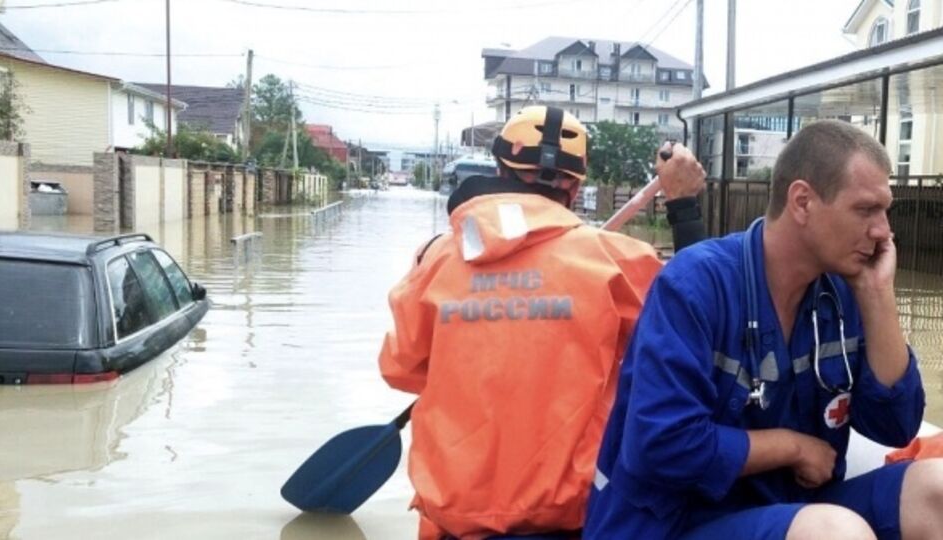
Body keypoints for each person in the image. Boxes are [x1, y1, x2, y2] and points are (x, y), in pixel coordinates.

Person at [585, 119, 943, 540]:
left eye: (885, 211)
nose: (883, 231)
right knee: (833, 533)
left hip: (788, 509)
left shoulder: (844, 290)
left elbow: (895, 427)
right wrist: (791, 446)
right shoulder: (695, 285)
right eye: (865, 210)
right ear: (802, 202)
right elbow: (659, 445)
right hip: (672, 523)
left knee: (936, 489)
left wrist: (878, 294)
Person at [378, 105, 706, 540]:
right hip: (573, 520)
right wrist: (684, 206)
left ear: (500, 167)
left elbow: (400, 370)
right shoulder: (618, 260)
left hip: (452, 523)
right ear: (575, 184)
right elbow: (697, 319)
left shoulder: (434, 258)